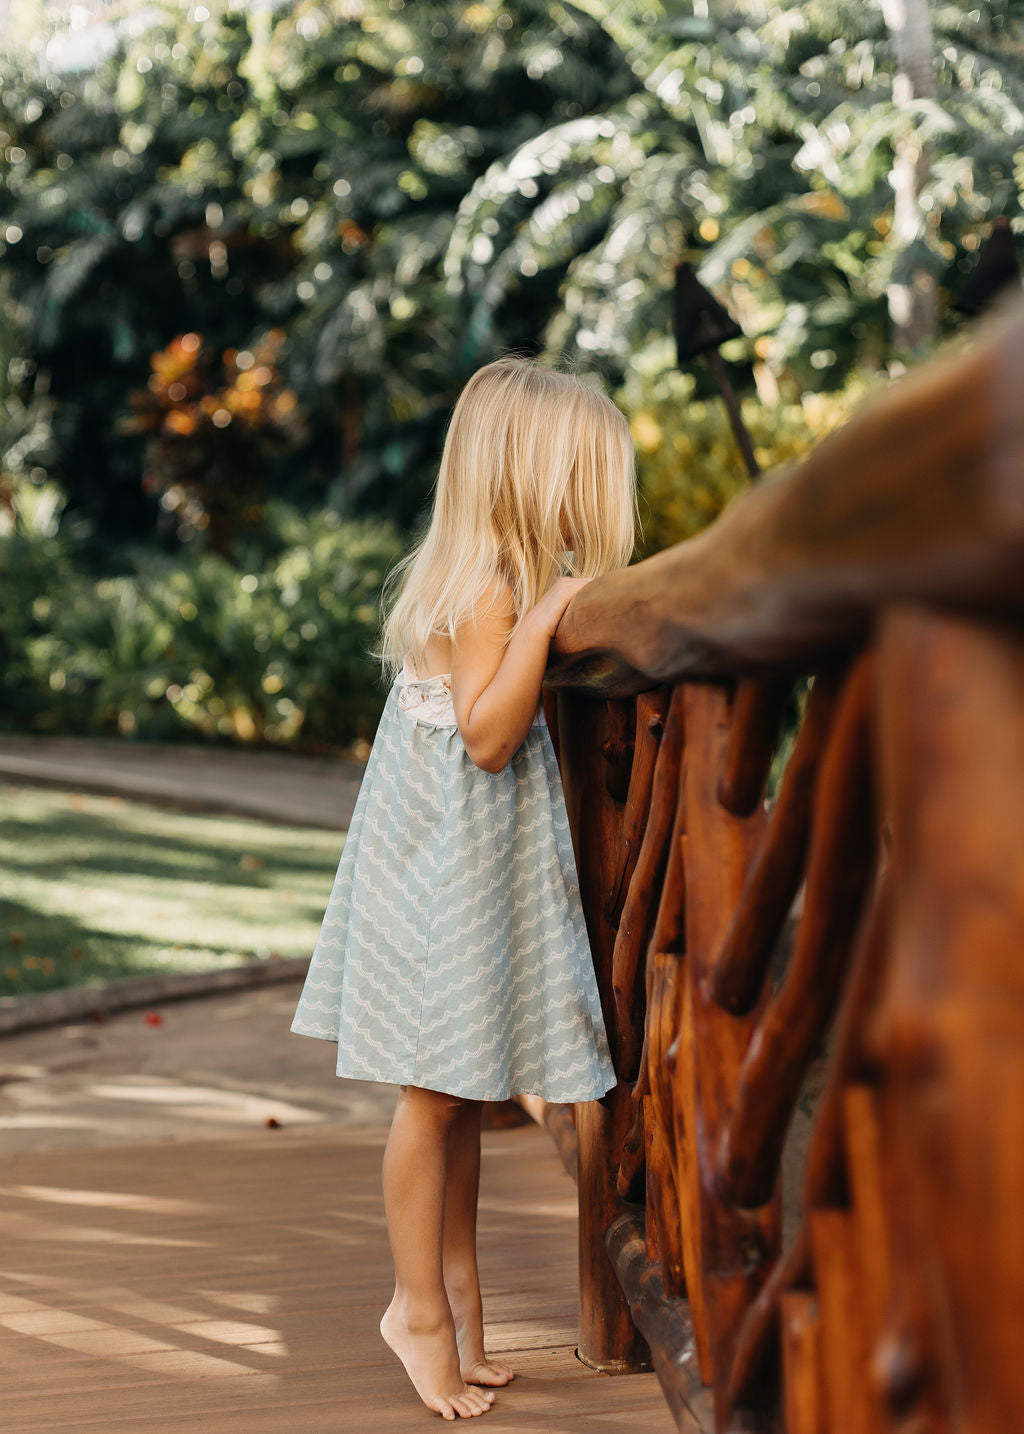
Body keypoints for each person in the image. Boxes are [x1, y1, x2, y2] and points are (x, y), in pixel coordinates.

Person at [290, 355, 636, 1419]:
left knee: (457, 1099)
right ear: (537, 479)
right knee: (430, 1100)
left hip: (450, 875)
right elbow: (489, 740)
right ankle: (415, 1311)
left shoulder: (483, 577)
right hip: (438, 884)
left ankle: (463, 1312)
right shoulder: (491, 592)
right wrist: (543, 624)